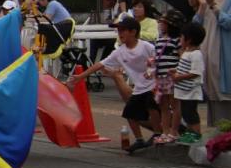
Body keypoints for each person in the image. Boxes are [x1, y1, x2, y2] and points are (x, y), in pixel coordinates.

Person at [68, 17, 160, 154]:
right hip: (139, 87)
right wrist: (80, 77)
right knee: (129, 112)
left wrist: (156, 75)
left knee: (152, 107)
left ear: (133, 32)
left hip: (153, 85)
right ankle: (140, 139)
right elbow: (100, 64)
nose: (119, 33)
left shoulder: (146, 46)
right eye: (118, 30)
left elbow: (159, 60)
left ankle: (158, 134)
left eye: (123, 30)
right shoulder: (119, 51)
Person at [194, 0, 231, 127]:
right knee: (211, 95)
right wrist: (202, 6)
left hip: (223, 52)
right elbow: (196, 25)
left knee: (223, 95)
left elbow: (228, 23)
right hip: (207, 50)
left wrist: (213, 6)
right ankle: (216, 137)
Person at [151, 10, 184, 143]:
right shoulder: (159, 40)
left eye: (163, 22)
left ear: (171, 24)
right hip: (160, 77)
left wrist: (177, 70)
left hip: (172, 76)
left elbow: (182, 57)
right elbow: (155, 57)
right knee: (163, 105)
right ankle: (165, 132)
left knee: (174, 104)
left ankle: (174, 131)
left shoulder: (177, 40)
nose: (160, 24)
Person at [173, 22, 205, 145]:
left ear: (189, 39)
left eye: (182, 36)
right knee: (186, 114)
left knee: (191, 114)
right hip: (184, 91)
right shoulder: (186, 53)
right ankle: (190, 134)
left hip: (191, 92)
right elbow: (185, 68)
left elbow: (196, 72)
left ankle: (196, 135)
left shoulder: (196, 54)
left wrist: (178, 77)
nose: (180, 39)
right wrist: (175, 71)